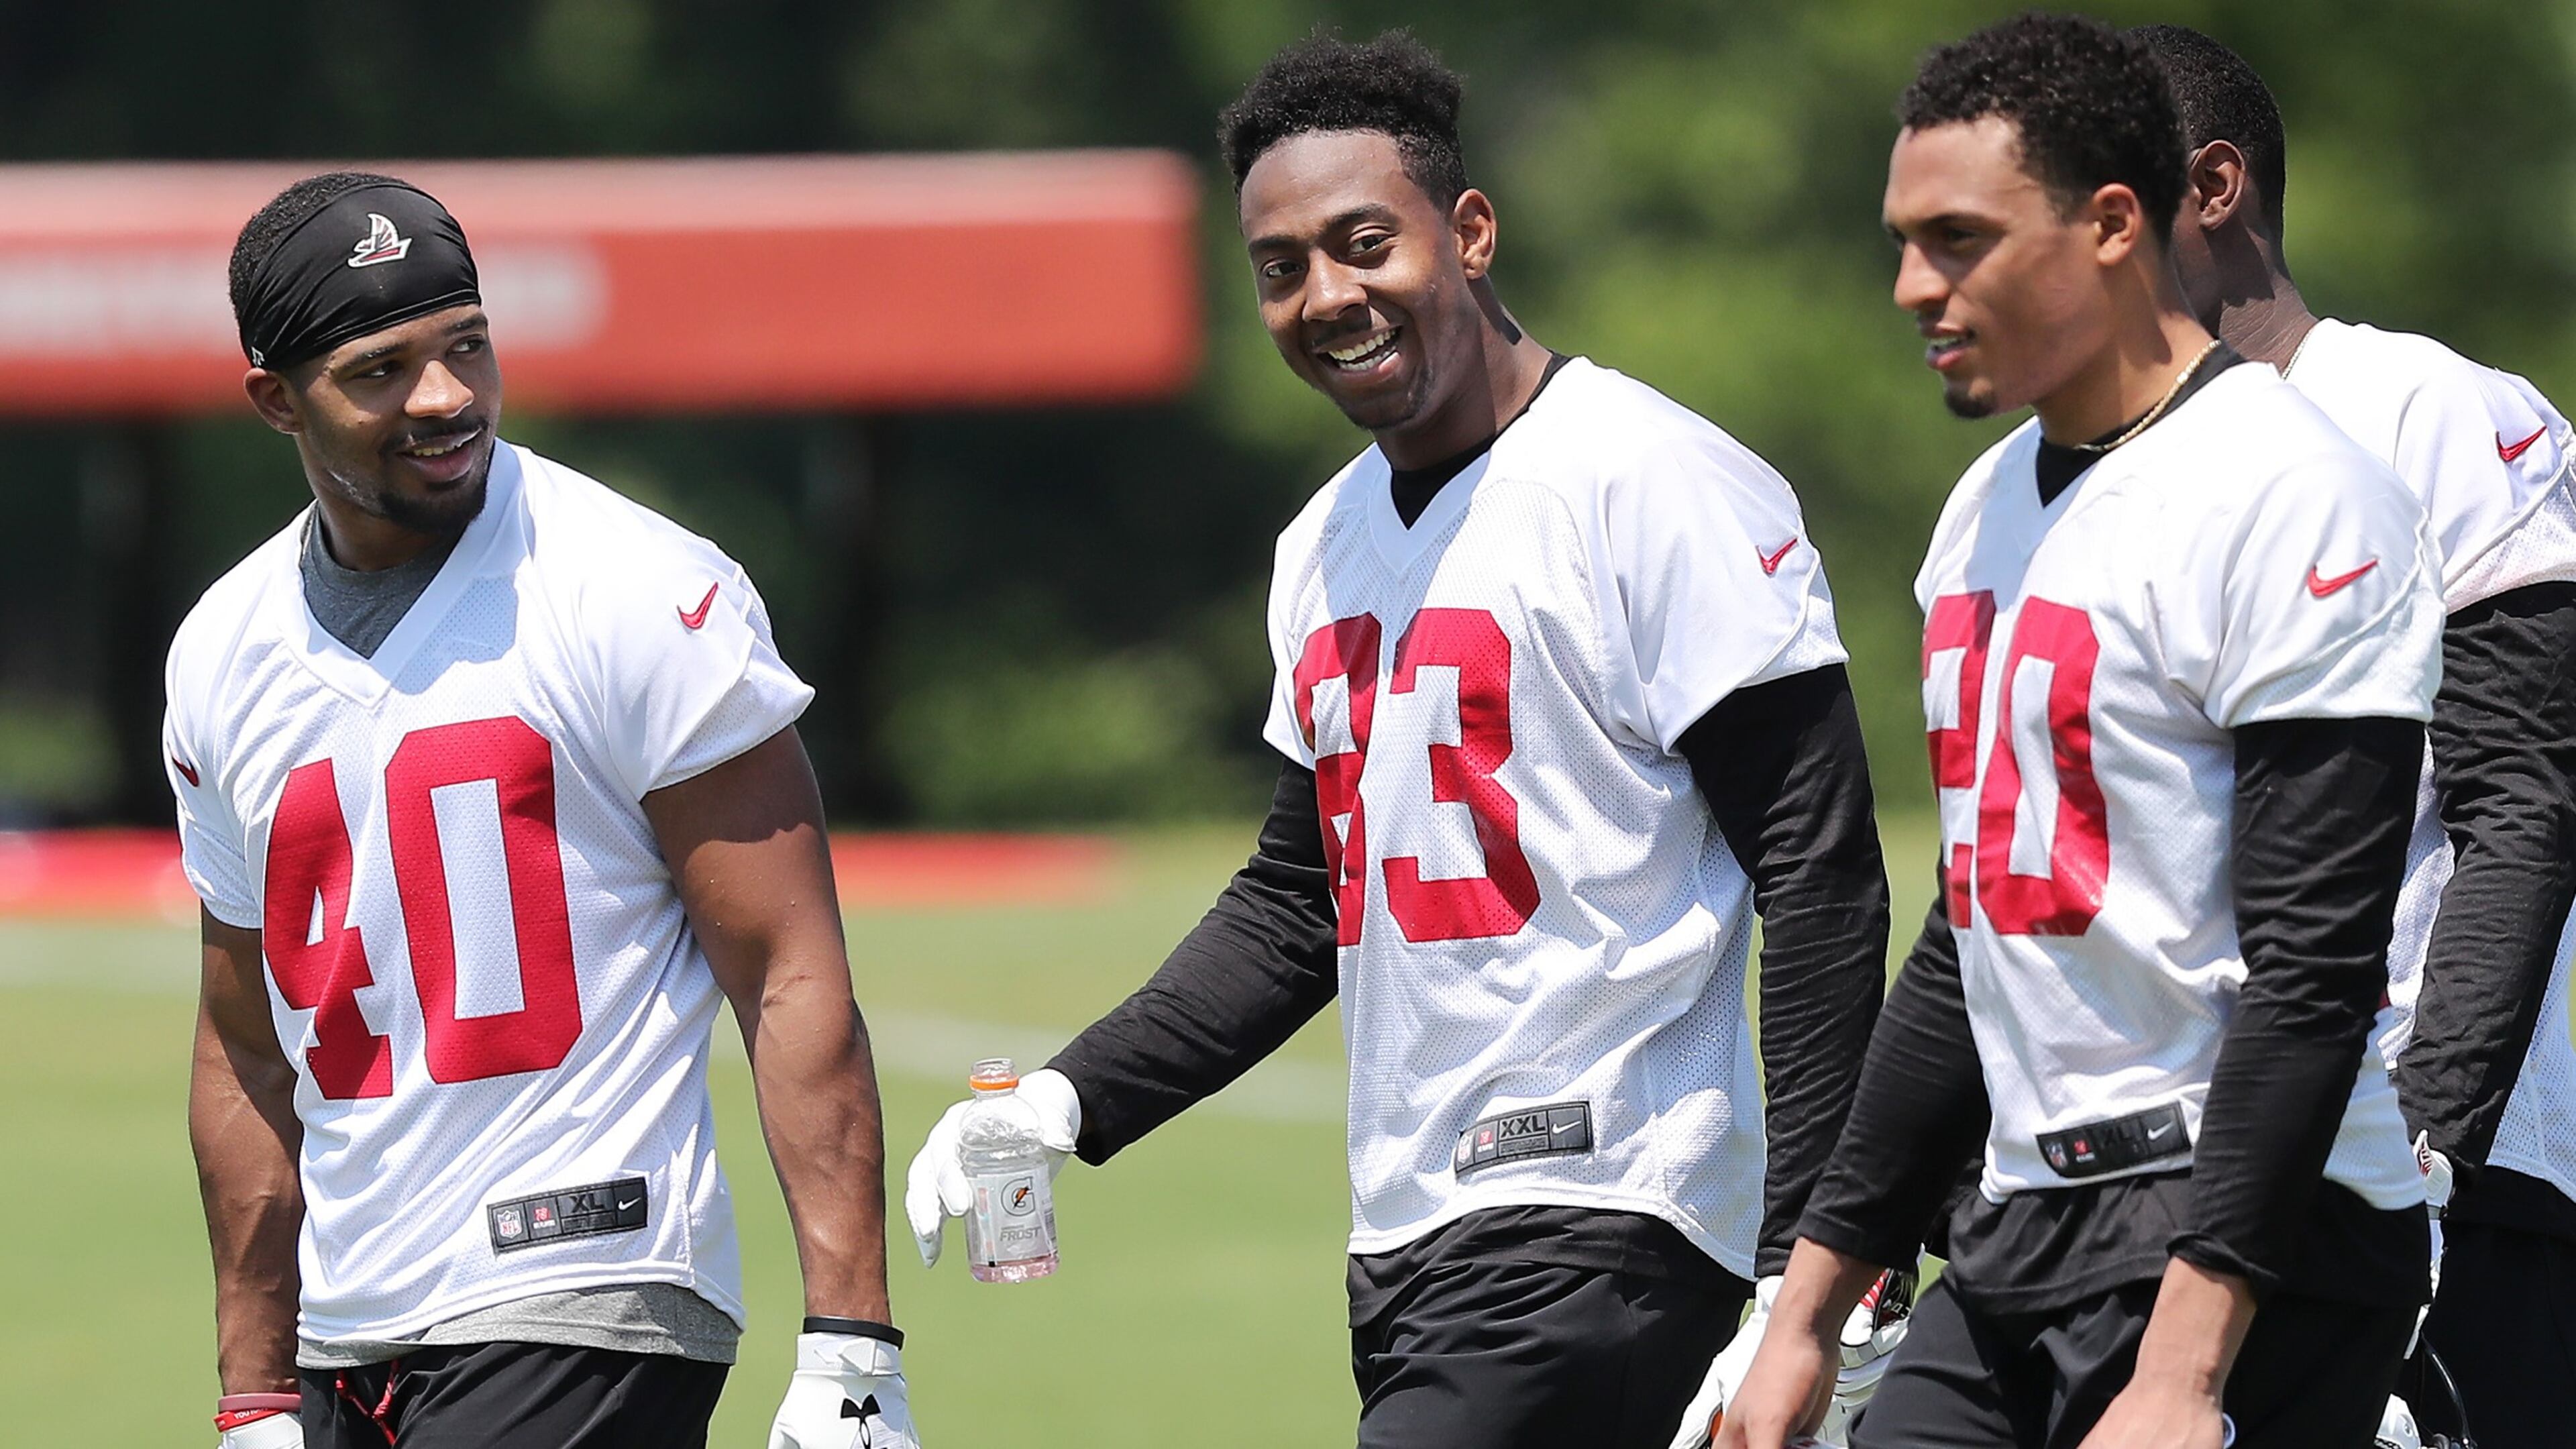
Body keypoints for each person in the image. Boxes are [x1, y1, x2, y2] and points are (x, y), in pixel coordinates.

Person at [902, 30, 1894, 1449]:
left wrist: (1819, 1271)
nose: (1328, 297)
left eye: (1365, 243)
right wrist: (1071, 1097)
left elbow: (1819, 867)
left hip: (1609, 1218)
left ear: (1471, 232)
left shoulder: (1648, 478)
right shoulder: (1322, 545)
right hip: (1413, 1249)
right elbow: (1305, 897)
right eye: (1281, 267)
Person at [1717, 15, 2440, 1448]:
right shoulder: (1980, 512)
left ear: (2113, 223)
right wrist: (1801, 1311)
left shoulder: (2293, 492)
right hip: (2026, 1222)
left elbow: (2316, 965)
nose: (1917, 286)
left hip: (2261, 1237)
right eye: (1905, 242)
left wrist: (2181, 1377)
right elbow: (1973, 934)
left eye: (1961, 240)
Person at [175, 172, 918, 1449]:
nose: (446, 396)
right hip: (350, 1324)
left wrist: (854, 1346)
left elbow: (789, 967)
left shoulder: (633, 585)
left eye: (467, 343)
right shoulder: (223, 648)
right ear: (274, 400)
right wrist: (253, 1391)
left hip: (587, 1276)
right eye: (382, 369)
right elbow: (246, 1037)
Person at [2139, 26, 2576, 1446]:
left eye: (2094, 199)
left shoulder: (2429, 411)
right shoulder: (2071, 485)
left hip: (2440, 1181)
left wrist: (2429, 1157)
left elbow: (2526, 804)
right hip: (2181, 1186)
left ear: (2214, 188)